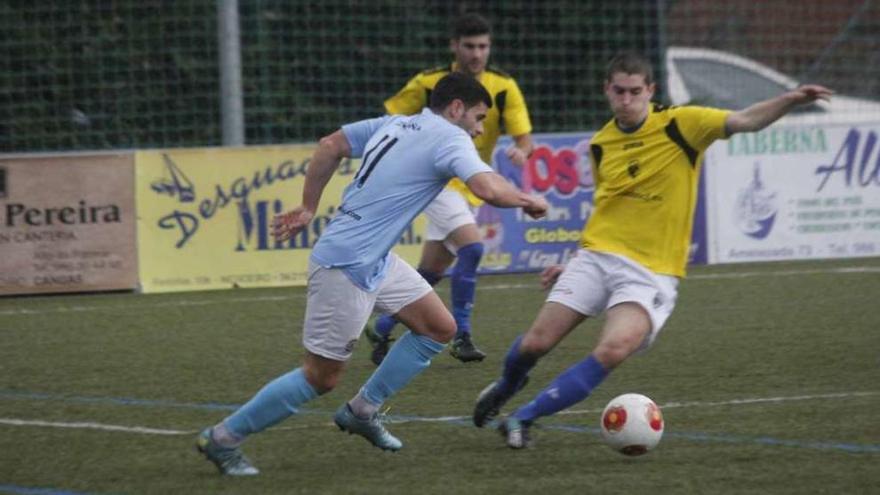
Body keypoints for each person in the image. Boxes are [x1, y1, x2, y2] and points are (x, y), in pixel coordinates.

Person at [472, 52, 833, 449]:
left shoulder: (683, 124)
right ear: (607, 90)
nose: (627, 100)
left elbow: (745, 120)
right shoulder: (601, 144)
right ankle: (506, 386)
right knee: (536, 343)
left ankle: (525, 418)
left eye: (635, 92)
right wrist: (573, 259)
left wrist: (790, 99)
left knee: (613, 349)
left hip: (651, 272)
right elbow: (607, 208)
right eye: (619, 92)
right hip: (596, 256)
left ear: (650, 91)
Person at [195, 72, 548, 475]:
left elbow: (331, 145)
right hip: (347, 262)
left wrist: (309, 206)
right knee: (320, 377)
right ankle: (222, 438)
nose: (482, 128)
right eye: (479, 117)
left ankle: (362, 410)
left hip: (375, 258)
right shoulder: (451, 138)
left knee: (438, 328)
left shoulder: (396, 123)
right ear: (456, 109)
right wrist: (527, 200)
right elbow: (486, 188)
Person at [366, 13, 535, 365]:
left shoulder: (503, 86)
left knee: (431, 270)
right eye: (470, 46)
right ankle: (462, 334)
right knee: (472, 248)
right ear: (454, 46)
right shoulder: (429, 83)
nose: (477, 54)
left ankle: (382, 326)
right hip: (436, 181)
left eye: (483, 46)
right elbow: (390, 119)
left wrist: (522, 150)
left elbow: (524, 137)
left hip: (471, 183)